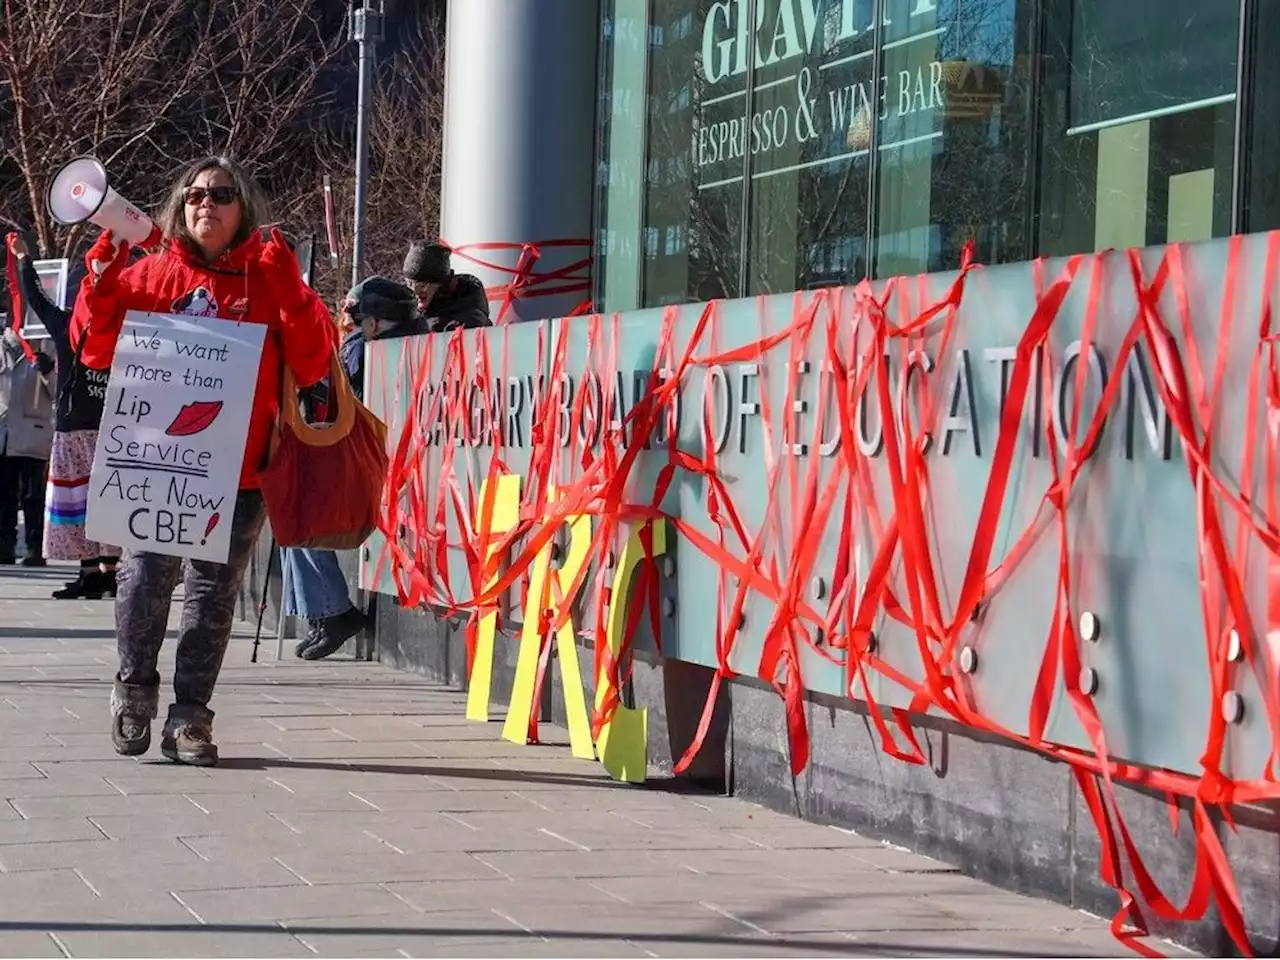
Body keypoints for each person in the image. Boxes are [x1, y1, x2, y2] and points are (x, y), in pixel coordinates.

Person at [69, 156, 335, 766]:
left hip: (241, 470)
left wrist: (293, 291)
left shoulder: (270, 279)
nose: (204, 205)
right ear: (178, 207)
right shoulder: (150, 274)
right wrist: (101, 282)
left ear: (244, 207)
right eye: (193, 195)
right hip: (156, 464)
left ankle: (191, 717)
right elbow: (95, 350)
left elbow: (317, 362)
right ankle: (133, 692)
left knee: (213, 596)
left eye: (219, 194)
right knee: (142, 579)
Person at [287, 277, 424, 661]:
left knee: (300, 522)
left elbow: (347, 402)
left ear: (374, 321)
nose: (345, 320)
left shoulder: (362, 350)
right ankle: (322, 613)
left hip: (372, 466)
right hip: (376, 460)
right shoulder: (396, 342)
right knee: (293, 519)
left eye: (353, 314)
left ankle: (332, 612)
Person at [6, 233, 120, 598]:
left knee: (91, 502)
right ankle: (97, 572)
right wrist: (23, 260)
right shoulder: (93, 324)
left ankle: (104, 571)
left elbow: (36, 297)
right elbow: (37, 298)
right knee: (89, 503)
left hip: (97, 427)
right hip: (97, 427)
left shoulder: (114, 324)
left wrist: (25, 260)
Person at [0, 323, 55, 566]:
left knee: (33, 495)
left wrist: (49, 371)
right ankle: (4, 547)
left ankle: (35, 549)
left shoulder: (45, 346)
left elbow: (57, 393)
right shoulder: (2, 346)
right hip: (3, 434)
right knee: (4, 495)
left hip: (32, 433)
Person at [401, 240, 491, 332]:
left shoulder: (467, 321)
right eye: (410, 284)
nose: (415, 291)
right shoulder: (410, 313)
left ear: (441, 285)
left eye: (422, 285)